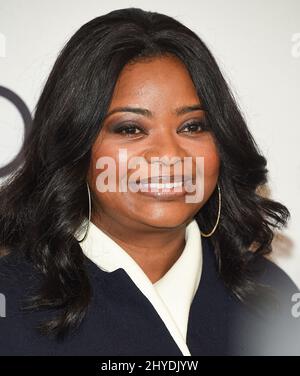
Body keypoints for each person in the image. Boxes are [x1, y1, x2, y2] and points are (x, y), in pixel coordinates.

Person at [0, 7, 299, 356]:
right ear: (76, 145)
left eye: (192, 126)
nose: (169, 155)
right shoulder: (11, 300)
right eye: (130, 129)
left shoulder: (270, 293)